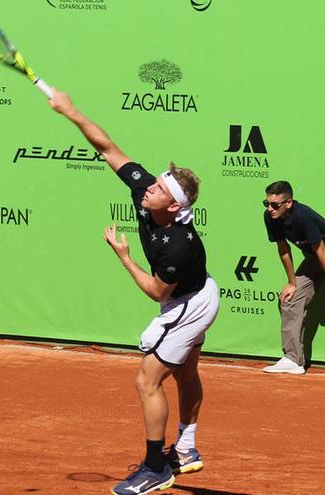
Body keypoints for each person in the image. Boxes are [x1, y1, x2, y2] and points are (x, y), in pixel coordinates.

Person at [49, 89, 219, 495]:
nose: (149, 189)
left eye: (159, 189)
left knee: (147, 380)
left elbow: (155, 290)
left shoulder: (177, 244)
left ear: (175, 207)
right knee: (186, 370)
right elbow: (107, 147)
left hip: (188, 304)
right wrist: (72, 111)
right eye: (155, 182)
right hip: (199, 291)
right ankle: (188, 449)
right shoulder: (146, 196)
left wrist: (124, 257)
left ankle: (156, 465)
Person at [261, 180, 325, 378]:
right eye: (267, 203)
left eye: (275, 205)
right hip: (314, 255)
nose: (270, 208)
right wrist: (291, 282)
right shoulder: (270, 217)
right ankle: (292, 359)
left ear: (288, 203)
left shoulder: (302, 216)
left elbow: (321, 250)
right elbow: (283, 249)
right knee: (291, 298)